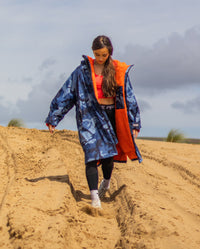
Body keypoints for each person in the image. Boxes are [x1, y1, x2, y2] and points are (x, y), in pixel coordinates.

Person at [45, 35, 142, 208]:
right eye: (97, 54)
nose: (100, 58)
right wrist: (54, 117)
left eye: (103, 55)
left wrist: (134, 122)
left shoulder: (118, 69)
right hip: (89, 116)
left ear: (109, 52)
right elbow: (67, 93)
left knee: (107, 157)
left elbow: (129, 96)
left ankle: (106, 180)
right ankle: (94, 197)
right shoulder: (82, 71)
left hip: (111, 116)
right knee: (91, 155)